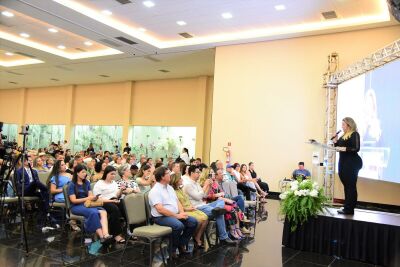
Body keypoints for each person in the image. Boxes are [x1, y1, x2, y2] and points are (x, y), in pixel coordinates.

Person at [148, 166, 198, 257]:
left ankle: (180, 244)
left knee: (193, 222)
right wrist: (177, 216)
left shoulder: (170, 188)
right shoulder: (155, 191)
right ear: (162, 177)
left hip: (173, 215)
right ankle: (172, 250)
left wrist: (182, 212)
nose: (171, 175)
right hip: (160, 217)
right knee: (178, 225)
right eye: (168, 173)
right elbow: (160, 209)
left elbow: (177, 201)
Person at [183, 166, 237, 245]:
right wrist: (205, 185)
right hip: (198, 208)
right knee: (219, 212)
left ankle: (217, 209)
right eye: (197, 172)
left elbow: (204, 195)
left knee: (220, 201)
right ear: (192, 173)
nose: (199, 174)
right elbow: (198, 197)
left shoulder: (197, 183)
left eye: (199, 172)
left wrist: (209, 186)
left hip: (205, 205)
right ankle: (223, 238)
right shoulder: (188, 185)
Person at [68, 164, 113, 243]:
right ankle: (102, 236)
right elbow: (73, 200)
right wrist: (87, 198)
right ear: (77, 173)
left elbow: (90, 196)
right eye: (83, 172)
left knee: (103, 211)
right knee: (94, 212)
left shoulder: (87, 183)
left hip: (88, 204)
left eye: (85, 172)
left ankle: (106, 234)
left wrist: (94, 198)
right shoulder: (72, 184)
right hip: (76, 206)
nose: (85, 174)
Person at [170, 173, 208, 249]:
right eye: (180, 178)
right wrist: (187, 209)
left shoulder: (180, 189)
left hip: (190, 208)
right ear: (176, 181)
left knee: (205, 218)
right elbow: (177, 206)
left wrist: (191, 206)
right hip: (184, 210)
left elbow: (187, 200)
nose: (182, 180)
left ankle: (197, 237)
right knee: (199, 220)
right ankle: (190, 238)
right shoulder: (173, 191)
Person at [333, 117, 363, 215]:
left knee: (350, 186)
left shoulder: (354, 134)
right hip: (343, 163)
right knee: (347, 186)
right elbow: (338, 148)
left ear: (349, 125)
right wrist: (336, 141)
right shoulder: (343, 136)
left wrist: (343, 148)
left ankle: (349, 209)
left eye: (343, 124)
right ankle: (347, 206)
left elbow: (356, 148)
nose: (342, 126)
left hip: (352, 163)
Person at [93, 166, 126, 243]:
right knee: (114, 209)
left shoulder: (114, 183)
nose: (113, 176)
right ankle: (116, 234)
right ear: (106, 173)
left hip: (114, 200)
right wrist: (111, 201)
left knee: (125, 206)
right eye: (111, 174)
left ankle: (130, 229)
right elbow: (98, 199)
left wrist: (121, 190)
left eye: (114, 174)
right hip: (103, 202)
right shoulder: (99, 184)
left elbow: (117, 195)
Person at [47, 160, 80, 231]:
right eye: (62, 165)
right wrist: (64, 189)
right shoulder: (55, 177)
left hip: (70, 193)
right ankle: (73, 221)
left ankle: (75, 218)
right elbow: (52, 191)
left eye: (64, 164)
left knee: (79, 198)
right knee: (73, 200)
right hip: (60, 195)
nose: (65, 166)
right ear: (58, 168)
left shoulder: (70, 175)